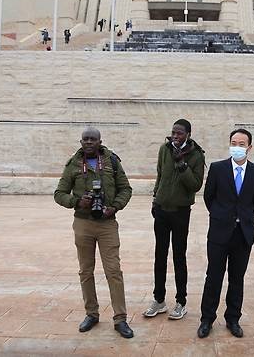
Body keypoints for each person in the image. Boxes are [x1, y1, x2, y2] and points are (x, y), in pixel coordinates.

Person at [54, 127, 135, 338]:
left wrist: (114, 206)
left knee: (113, 270)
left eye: (93, 139)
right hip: (83, 223)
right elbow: (59, 193)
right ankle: (91, 313)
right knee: (85, 271)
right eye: (85, 139)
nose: (89, 142)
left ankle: (120, 318)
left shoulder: (112, 162)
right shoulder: (73, 164)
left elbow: (126, 189)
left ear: (100, 141)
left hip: (107, 223)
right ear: (81, 142)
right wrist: (77, 201)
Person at [198, 129, 254, 339]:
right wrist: (221, 215)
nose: (237, 147)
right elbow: (209, 197)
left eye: (242, 144)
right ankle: (207, 319)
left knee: (237, 278)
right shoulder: (217, 168)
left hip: (243, 234)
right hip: (219, 232)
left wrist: (241, 216)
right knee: (213, 277)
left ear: (249, 148)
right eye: (234, 142)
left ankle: (233, 319)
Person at [143, 119, 205, 320]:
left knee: (179, 256)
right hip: (161, 210)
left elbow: (195, 185)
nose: (176, 136)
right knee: (159, 255)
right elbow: (160, 174)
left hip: (180, 212)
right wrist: (155, 199)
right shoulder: (164, 149)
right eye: (173, 132)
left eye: (180, 133)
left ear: (188, 134)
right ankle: (159, 300)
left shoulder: (196, 155)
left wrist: (182, 165)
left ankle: (181, 302)